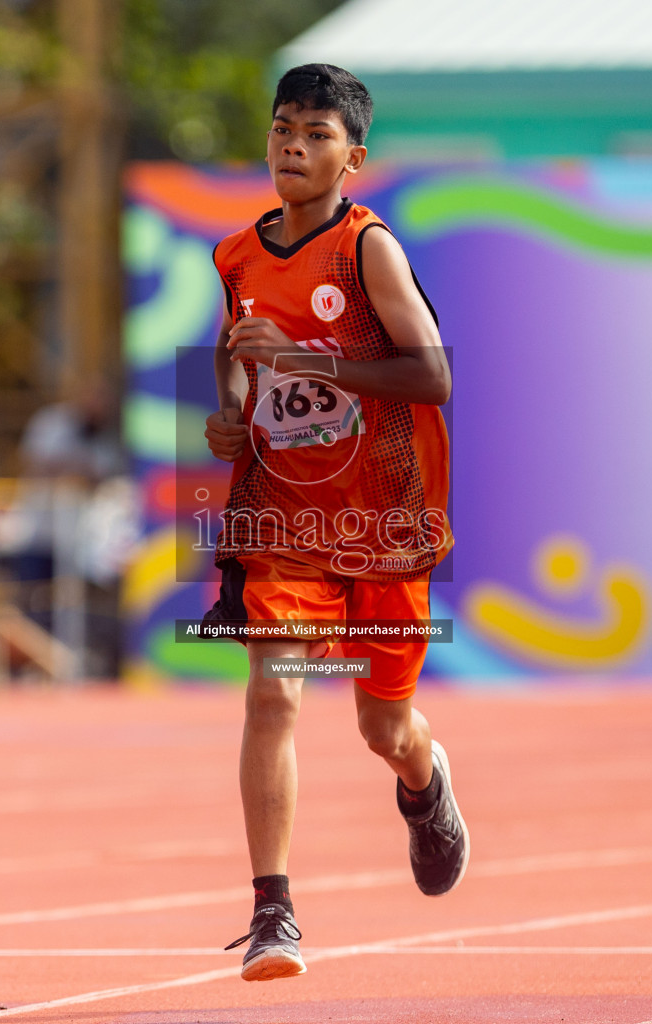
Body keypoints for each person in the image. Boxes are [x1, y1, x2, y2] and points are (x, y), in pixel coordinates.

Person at [202, 64, 466, 982]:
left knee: (381, 727)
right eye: (282, 128)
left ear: (354, 156)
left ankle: (424, 782)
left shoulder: (368, 250)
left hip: (386, 525)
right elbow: (239, 356)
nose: (293, 146)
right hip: (286, 523)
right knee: (272, 696)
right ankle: (273, 912)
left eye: (316, 134)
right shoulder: (237, 254)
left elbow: (432, 377)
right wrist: (232, 411)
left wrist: (311, 358)